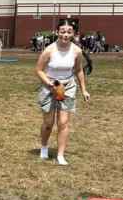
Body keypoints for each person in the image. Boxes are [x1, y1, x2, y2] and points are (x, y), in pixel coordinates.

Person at [35, 20, 90, 165]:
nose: (65, 35)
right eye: (62, 31)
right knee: (48, 123)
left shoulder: (76, 51)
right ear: (57, 32)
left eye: (69, 32)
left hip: (67, 87)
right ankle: (44, 147)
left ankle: (60, 155)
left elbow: (79, 70)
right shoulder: (49, 50)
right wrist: (49, 83)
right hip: (50, 86)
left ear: (74, 34)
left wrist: (84, 89)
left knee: (63, 122)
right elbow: (39, 70)